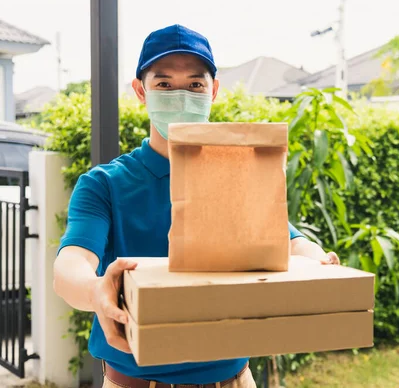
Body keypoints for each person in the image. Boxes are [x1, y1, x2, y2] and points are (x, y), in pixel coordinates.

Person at [53, 24, 340, 388]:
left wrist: (320, 260)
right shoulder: (105, 184)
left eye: (194, 84)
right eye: (164, 84)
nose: (181, 96)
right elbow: (71, 263)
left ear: (213, 91)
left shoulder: (237, 174)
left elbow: (288, 240)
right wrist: (95, 291)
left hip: (234, 380)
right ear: (141, 91)